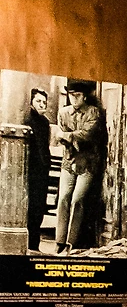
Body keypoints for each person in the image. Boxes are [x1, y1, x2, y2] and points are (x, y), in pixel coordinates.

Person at [54, 80, 105, 252]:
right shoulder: (63, 112)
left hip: (87, 163)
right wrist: (70, 137)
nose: (74, 99)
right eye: (71, 95)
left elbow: (87, 135)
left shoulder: (93, 112)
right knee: (63, 198)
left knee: (77, 200)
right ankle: (59, 241)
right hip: (69, 161)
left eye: (77, 96)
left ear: (84, 97)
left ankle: (71, 242)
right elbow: (60, 136)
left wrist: (67, 136)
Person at [23, 87, 51, 252]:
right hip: (31, 171)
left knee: (39, 207)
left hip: (42, 171)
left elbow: (44, 148)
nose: (42, 105)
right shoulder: (28, 120)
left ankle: (34, 245)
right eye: (38, 101)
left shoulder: (45, 122)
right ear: (32, 102)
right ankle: (30, 244)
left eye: (44, 102)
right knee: (32, 208)